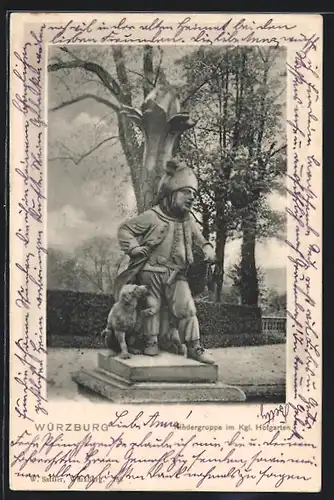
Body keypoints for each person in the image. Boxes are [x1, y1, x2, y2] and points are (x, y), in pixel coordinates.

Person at [113, 159, 216, 364]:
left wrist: (207, 247)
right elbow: (125, 229)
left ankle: (194, 347)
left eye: (194, 194)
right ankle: (150, 342)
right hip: (151, 271)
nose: (192, 197)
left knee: (187, 308)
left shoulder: (188, 220)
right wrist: (133, 248)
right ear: (171, 192)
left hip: (177, 275)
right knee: (152, 307)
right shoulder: (152, 216)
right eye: (186, 192)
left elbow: (201, 238)